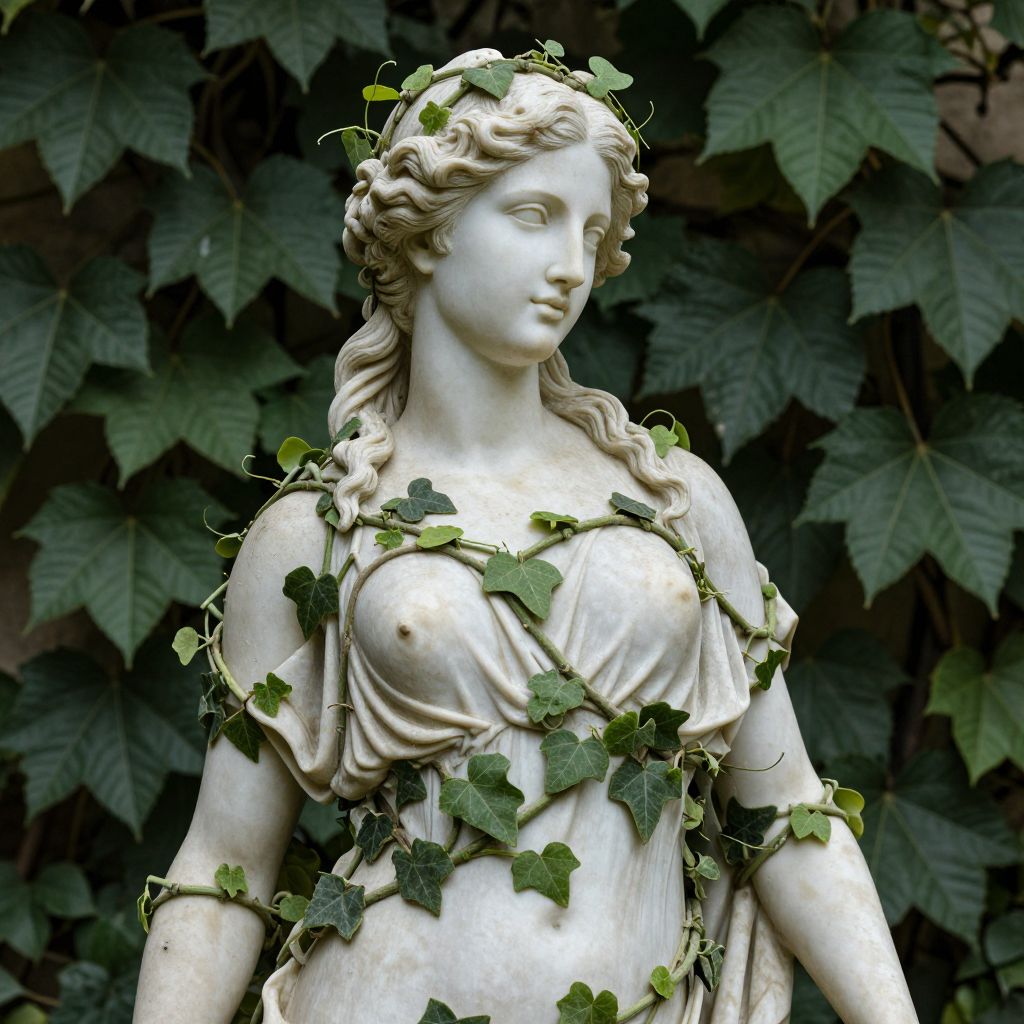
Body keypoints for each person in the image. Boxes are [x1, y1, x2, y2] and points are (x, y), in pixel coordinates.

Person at [133, 49, 920, 1024]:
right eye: (534, 215)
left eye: (592, 232)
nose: (571, 267)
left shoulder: (672, 500)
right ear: (429, 229)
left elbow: (787, 815)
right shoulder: (318, 532)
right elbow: (225, 865)